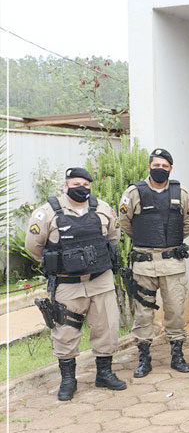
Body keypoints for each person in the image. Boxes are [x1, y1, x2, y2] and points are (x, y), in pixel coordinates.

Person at [26, 168, 126, 401]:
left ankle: (104, 373)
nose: (82, 188)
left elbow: (114, 237)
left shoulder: (102, 208)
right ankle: (68, 380)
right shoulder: (47, 212)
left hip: (100, 280)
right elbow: (33, 247)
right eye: (76, 184)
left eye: (86, 185)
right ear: (65, 186)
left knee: (107, 327)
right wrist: (61, 262)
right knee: (65, 332)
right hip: (67, 283)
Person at [119, 148, 189, 378]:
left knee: (176, 311)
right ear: (149, 167)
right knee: (143, 313)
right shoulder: (134, 193)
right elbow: (125, 222)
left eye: (164, 166)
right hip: (144, 264)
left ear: (170, 168)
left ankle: (177, 355)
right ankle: (144, 358)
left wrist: (169, 240)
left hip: (172, 264)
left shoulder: (181, 193)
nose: (160, 169)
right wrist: (147, 240)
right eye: (156, 165)